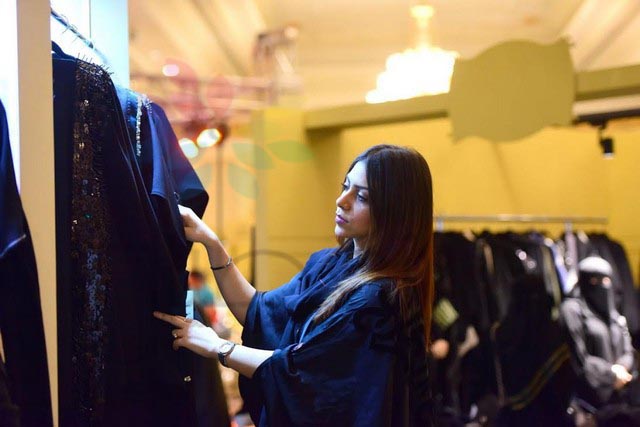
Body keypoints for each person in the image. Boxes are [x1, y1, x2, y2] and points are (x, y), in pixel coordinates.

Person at [154, 144, 435, 426]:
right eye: (345, 186)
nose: (342, 200)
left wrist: (218, 346)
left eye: (361, 196)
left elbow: (301, 374)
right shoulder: (328, 264)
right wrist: (212, 243)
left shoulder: (379, 300)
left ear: (394, 211)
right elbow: (260, 313)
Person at [559, 256, 640, 426]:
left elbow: (628, 348)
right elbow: (578, 358)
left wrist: (621, 371)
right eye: (595, 281)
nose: (602, 286)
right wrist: (611, 374)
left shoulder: (612, 312)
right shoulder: (572, 310)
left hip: (620, 398)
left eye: (606, 280)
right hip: (588, 402)